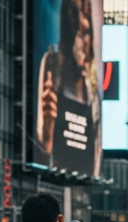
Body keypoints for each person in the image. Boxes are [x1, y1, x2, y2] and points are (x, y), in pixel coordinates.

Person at [36, 0, 102, 173]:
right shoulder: (52, 64)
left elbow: (96, 162)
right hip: (53, 178)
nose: (81, 43)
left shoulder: (94, 94)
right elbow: (41, 155)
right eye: (76, 31)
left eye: (86, 33)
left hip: (80, 183)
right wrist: (48, 130)